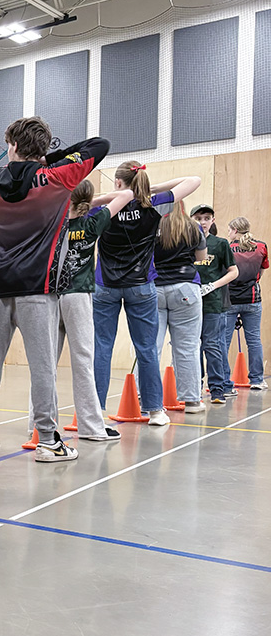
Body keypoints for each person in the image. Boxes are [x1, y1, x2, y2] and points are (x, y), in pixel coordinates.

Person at [0, 117, 109, 462]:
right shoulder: (56, 177)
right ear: (41, 150)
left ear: (11, 146)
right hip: (38, 291)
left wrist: (11, 169)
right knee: (42, 367)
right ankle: (49, 441)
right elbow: (99, 145)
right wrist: (46, 162)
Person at [94, 165, 201, 425]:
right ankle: (155, 411)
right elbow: (193, 179)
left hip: (105, 285)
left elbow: (76, 202)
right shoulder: (153, 205)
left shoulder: (103, 210)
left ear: (118, 182)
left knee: (101, 348)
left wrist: (114, 196)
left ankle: (94, 411)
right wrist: (146, 190)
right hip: (141, 285)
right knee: (147, 349)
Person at [42, 181, 133, 439]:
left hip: (50, 296)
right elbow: (126, 194)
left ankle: (39, 427)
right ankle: (91, 427)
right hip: (78, 295)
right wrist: (89, 203)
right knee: (83, 360)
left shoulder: (52, 224)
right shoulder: (92, 224)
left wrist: (69, 204)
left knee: (46, 363)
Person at [150, 202, 208, 412]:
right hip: (186, 287)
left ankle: (145, 399)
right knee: (188, 347)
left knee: (150, 347)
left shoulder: (151, 225)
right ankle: (192, 400)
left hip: (155, 288)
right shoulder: (193, 227)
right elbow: (201, 257)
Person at [194, 207, 239, 404]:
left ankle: (217, 389)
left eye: (206, 218)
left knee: (212, 345)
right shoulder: (187, 243)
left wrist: (213, 286)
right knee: (192, 346)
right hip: (190, 304)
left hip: (213, 304)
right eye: (198, 218)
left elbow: (233, 271)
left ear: (212, 220)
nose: (203, 222)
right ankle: (194, 387)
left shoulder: (220, 244)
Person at [226, 217, 268, 390]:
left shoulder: (227, 248)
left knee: (223, 341)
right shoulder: (261, 246)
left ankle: (223, 382)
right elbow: (262, 271)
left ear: (235, 230)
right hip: (252, 299)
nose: (228, 233)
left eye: (229, 230)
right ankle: (257, 380)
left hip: (230, 300)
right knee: (254, 340)